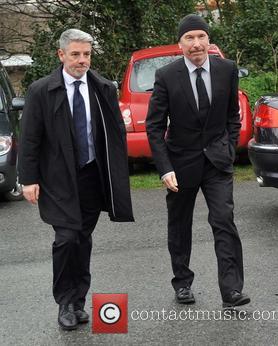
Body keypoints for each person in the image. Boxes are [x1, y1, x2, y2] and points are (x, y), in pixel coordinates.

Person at [19, 28, 134, 330]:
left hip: (92, 177)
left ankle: (78, 302)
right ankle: (65, 302)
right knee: (67, 238)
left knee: (82, 240)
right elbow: (29, 138)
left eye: (86, 55)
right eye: (75, 55)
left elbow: (115, 135)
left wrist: (118, 173)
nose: (82, 61)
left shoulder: (103, 88)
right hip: (57, 180)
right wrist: (28, 179)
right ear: (61, 55)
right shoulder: (41, 91)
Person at [146, 14, 250, 308]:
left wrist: (229, 148)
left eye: (201, 37)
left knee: (223, 221)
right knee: (180, 225)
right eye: (189, 38)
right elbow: (154, 126)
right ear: (179, 44)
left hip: (217, 162)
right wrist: (165, 167)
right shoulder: (166, 75)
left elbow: (232, 115)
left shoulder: (227, 70)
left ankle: (231, 290)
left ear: (208, 40)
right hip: (180, 165)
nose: (196, 44)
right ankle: (182, 283)